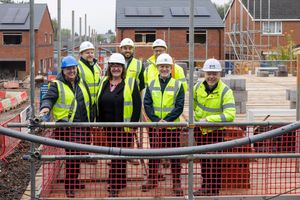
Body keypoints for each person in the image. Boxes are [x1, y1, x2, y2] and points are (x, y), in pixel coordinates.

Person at [40, 56, 91, 198]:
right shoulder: (56, 85)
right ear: (63, 70)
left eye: (74, 68)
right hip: (67, 128)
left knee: (77, 156)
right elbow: (48, 99)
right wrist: (45, 108)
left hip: (83, 126)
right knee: (72, 157)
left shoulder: (82, 83)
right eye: (69, 69)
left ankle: (73, 181)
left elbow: (89, 104)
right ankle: (69, 186)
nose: (72, 71)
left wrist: (92, 123)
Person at [96, 53, 141, 197]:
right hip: (109, 126)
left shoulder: (131, 83)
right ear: (109, 68)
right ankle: (120, 180)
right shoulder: (104, 82)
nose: (116, 68)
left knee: (118, 155)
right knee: (116, 154)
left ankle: (114, 184)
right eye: (113, 66)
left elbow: (137, 106)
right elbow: (99, 102)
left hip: (124, 127)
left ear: (123, 68)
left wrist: (133, 126)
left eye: (118, 66)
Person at [142, 53, 184, 196]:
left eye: (167, 66)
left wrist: (167, 121)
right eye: (161, 66)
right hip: (155, 127)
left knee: (174, 156)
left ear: (171, 68)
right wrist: (155, 120)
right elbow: (147, 104)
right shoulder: (151, 84)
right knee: (154, 154)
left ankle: (176, 182)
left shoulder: (178, 85)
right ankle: (152, 179)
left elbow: (179, 106)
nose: (164, 69)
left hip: (171, 127)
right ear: (158, 67)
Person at [193, 58, 236, 196]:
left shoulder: (225, 91)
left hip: (216, 131)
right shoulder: (197, 87)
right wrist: (197, 121)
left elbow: (230, 115)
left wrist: (208, 120)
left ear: (219, 74)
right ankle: (205, 186)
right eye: (209, 73)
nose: (211, 77)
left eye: (215, 73)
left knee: (216, 161)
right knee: (204, 160)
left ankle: (214, 190)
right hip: (200, 130)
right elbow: (193, 106)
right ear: (204, 73)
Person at [78, 41, 101, 121]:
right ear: (81, 54)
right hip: (82, 104)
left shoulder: (97, 67)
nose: (90, 54)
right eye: (87, 53)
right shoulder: (77, 67)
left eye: (92, 52)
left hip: (94, 105)